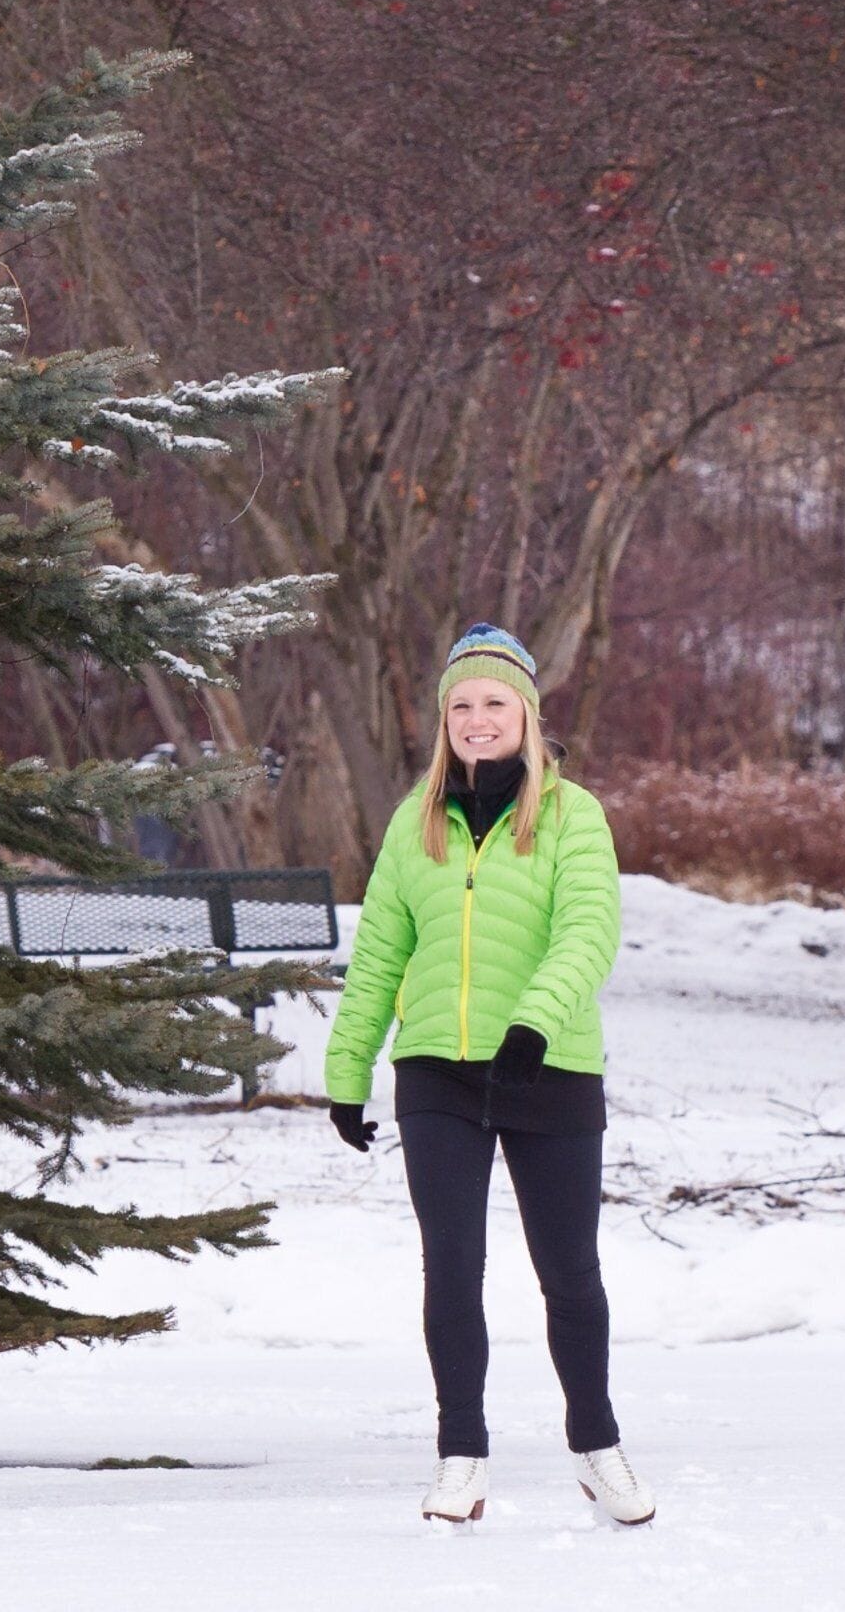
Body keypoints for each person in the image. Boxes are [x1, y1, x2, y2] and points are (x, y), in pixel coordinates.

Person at [326, 624, 655, 1528]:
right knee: (452, 1269)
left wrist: (534, 1023)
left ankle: (597, 1446)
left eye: (494, 704)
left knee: (569, 1273)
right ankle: (461, 1454)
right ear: (445, 720)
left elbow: (589, 931)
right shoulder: (415, 819)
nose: (477, 719)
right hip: (437, 1070)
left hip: (548, 1068)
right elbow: (380, 954)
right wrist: (348, 1068)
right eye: (461, 705)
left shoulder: (572, 815)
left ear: (527, 715)